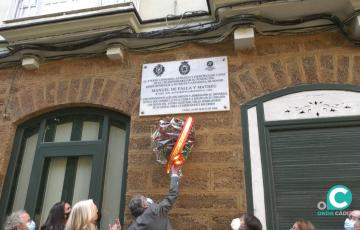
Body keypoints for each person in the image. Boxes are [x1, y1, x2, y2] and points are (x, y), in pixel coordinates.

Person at [128, 165, 180, 230]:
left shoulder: (134, 227)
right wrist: (174, 174)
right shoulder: (154, 211)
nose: (147, 199)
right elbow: (172, 195)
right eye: (145, 199)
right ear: (144, 205)